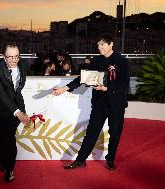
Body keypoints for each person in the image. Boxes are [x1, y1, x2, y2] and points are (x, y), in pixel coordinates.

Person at [52, 33, 129, 170]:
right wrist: (65, 88)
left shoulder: (121, 61)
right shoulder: (96, 61)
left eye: (102, 44)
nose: (99, 47)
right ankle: (81, 160)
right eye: (98, 44)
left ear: (111, 44)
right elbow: (83, 78)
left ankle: (110, 159)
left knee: (115, 133)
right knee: (91, 132)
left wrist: (106, 87)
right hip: (100, 102)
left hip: (116, 103)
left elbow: (124, 85)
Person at [0, 43, 30, 182]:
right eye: (10, 57)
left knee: (9, 139)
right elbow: (1, 93)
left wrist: (20, 110)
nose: (14, 60)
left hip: (16, 107)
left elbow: (18, 88)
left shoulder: (23, 64)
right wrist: (17, 112)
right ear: (3, 57)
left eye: (16, 56)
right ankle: (2, 161)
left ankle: (10, 168)